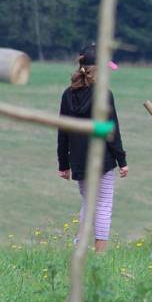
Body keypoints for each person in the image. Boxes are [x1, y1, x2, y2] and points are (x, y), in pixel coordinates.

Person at [57, 44, 129, 253]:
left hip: (79, 160)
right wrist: (122, 161)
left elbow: (63, 131)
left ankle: (80, 245)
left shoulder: (67, 95)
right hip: (101, 160)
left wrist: (64, 164)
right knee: (103, 205)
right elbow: (110, 131)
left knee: (88, 204)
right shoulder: (104, 94)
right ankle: (100, 252)